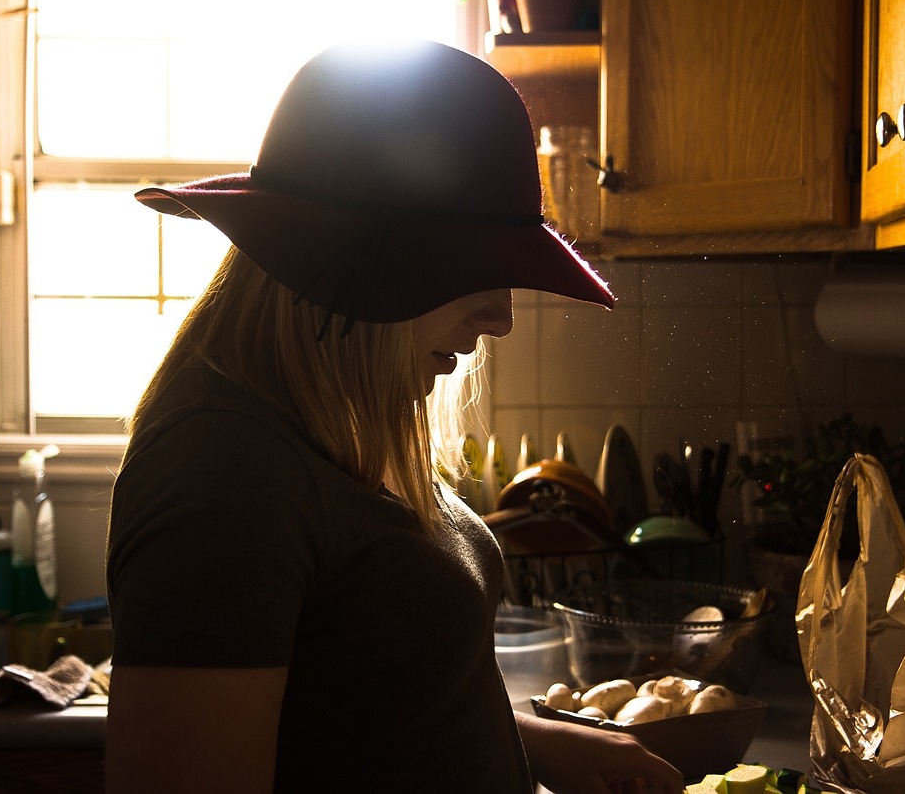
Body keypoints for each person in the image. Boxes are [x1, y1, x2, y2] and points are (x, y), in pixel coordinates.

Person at [104, 40, 684, 794]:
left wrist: (530, 741)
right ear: (348, 264)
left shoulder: (332, 427)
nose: (500, 316)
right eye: (473, 268)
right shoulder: (223, 474)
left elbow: (358, 708)